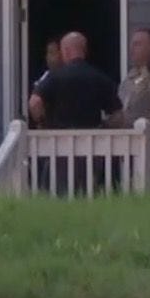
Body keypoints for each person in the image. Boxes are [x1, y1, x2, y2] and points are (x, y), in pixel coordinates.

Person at [27, 33, 122, 195]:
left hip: (59, 145)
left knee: (58, 191)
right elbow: (118, 116)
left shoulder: (55, 77)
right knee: (88, 190)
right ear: (84, 50)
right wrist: (104, 126)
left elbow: (34, 102)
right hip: (92, 146)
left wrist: (42, 123)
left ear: (65, 50)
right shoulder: (100, 78)